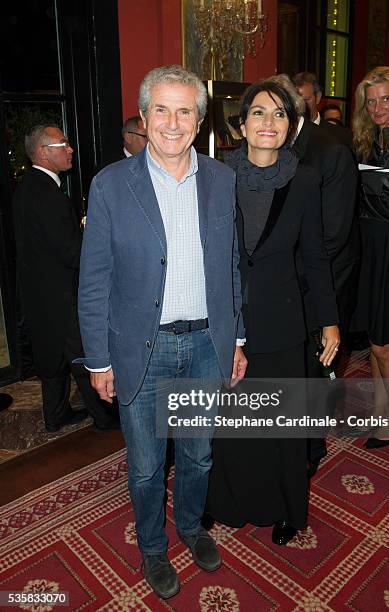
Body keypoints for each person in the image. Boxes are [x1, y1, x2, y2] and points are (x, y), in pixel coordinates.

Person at [77, 65, 247, 600]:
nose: (173, 122)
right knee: (148, 466)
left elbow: (232, 269)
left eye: (185, 111)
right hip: (141, 352)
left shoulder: (222, 180)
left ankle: (191, 527)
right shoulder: (110, 185)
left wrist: (236, 339)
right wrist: (98, 359)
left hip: (203, 344)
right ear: (144, 117)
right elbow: (94, 280)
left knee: (198, 454)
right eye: (161, 110)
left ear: (199, 121)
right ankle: (153, 545)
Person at [206, 80, 339, 545]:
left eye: (279, 114)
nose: (268, 122)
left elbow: (316, 255)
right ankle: (226, 502)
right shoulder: (215, 176)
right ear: (241, 124)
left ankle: (286, 509)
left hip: (282, 319)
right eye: (258, 113)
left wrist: (329, 320)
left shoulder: (305, 181)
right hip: (224, 319)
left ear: (292, 125)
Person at [275, 74, 359, 475]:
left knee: (312, 367)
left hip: (320, 278)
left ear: (299, 109)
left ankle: (310, 449)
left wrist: (288, 276)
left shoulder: (331, 151)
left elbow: (334, 234)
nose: (270, 120)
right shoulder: (273, 145)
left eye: (279, 110)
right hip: (287, 278)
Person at [13, 125, 119, 434]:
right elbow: (72, 253)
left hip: (42, 293)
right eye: (64, 144)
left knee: (54, 357)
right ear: (44, 152)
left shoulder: (27, 187)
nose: (70, 149)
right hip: (62, 294)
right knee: (85, 357)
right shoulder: (47, 194)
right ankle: (104, 417)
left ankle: (56, 414)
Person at [352, 66, 389, 449]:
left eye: (385, 99)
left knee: (387, 344)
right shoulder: (366, 142)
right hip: (367, 246)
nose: (378, 108)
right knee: (373, 339)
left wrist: (367, 183)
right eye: (371, 101)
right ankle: (382, 404)